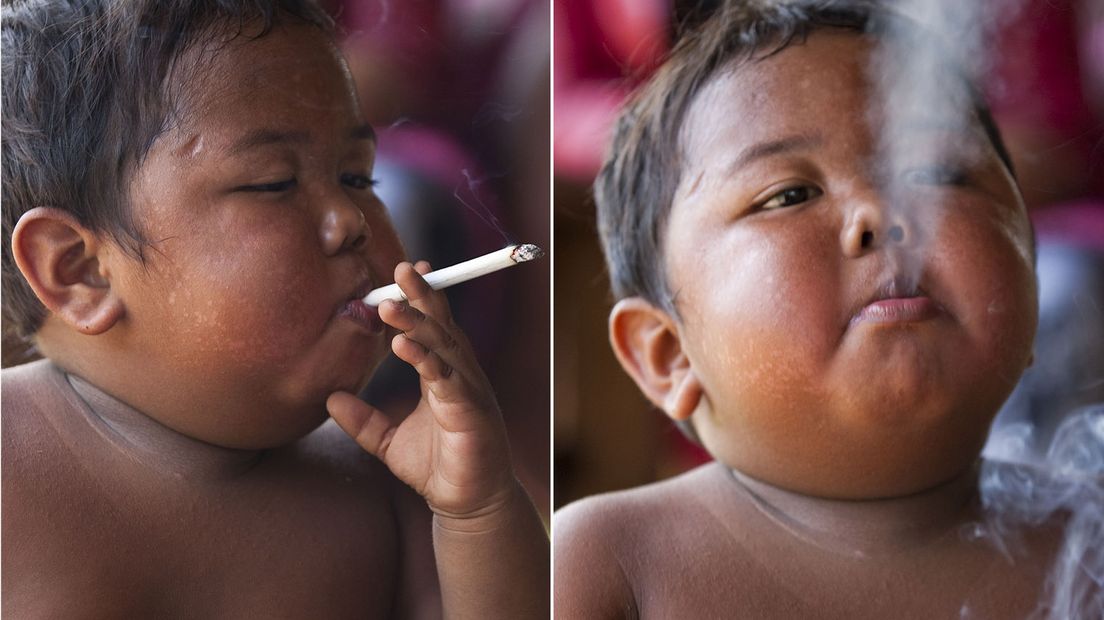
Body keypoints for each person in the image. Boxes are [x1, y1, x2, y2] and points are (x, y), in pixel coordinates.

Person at [0, 1, 547, 617]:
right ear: (79, 272)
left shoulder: (384, 496)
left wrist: (477, 512)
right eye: (273, 184)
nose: (351, 223)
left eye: (358, 178)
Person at [553, 1, 1087, 617]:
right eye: (790, 194)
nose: (881, 212)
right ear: (670, 355)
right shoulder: (610, 563)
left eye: (937, 171)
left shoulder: (1090, 545)